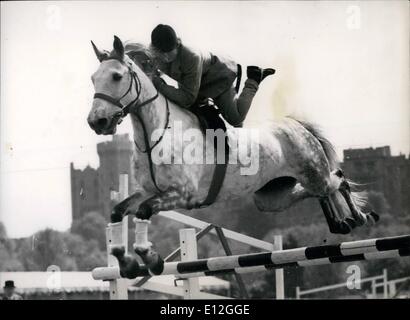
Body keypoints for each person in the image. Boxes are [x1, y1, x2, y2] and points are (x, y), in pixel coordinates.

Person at [149, 24, 275, 127]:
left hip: (217, 78)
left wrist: (159, 84)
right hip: (194, 85)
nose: (165, 57)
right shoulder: (155, 55)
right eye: (161, 53)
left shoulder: (192, 56)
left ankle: (253, 79)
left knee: (236, 119)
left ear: (177, 44)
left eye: (168, 52)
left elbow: (188, 98)